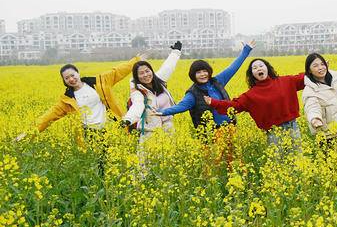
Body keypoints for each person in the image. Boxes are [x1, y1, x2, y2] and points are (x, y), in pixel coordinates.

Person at [155, 41, 254, 168]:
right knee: (213, 166)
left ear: (209, 71)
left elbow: (232, 68)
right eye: (198, 72)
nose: (202, 74)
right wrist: (163, 112)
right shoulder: (193, 93)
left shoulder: (217, 82)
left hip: (229, 128)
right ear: (193, 75)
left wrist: (246, 50)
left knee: (234, 162)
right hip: (210, 134)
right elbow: (181, 106)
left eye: (204, 71)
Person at [17, 52, 146, 143]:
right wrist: (28, 133)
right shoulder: (67, 100)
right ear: (64, 81)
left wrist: (136, 60)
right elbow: (47, 117)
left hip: (109, 129)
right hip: (88, 134)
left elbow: (117, 71)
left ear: (78, 73)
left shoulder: (99, 81)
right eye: (67, 78)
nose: (71, 79)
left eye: (72, 75)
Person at [204, 58, 305, 154]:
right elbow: (234, 105)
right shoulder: (251, 95)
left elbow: (304, 78)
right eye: (255, 68)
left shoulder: (286, 81)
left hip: (292, 126)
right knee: (279, 161)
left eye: (261, 65)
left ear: (267, 68)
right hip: (273, 132)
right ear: (252, 74)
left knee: (297, 158)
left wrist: (313, 67)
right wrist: (213, 102)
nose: (259, 68)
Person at [122, 41, 183, 142]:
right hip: (149, 134)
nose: (145, 75)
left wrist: (176, 52)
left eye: (147, 71)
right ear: (137, 77)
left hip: (168, 130)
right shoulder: (138, 92)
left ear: (151, 71)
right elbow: (137, 105)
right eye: (141, 73)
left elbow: (168, 67)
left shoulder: (159, 81)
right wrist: (128, 119)